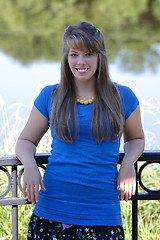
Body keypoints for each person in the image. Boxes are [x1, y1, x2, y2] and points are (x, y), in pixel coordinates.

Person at [15, 22, 145, 240]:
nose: (81, 62)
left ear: (100, 57)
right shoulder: (51, 96)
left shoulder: (123, 97)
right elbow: (26, 140)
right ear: (66, 58)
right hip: (51, 211)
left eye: (89, 54)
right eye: (74, 54)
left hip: (103, 215)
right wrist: (29, 165)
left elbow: (137, 138)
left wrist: (129, 163)